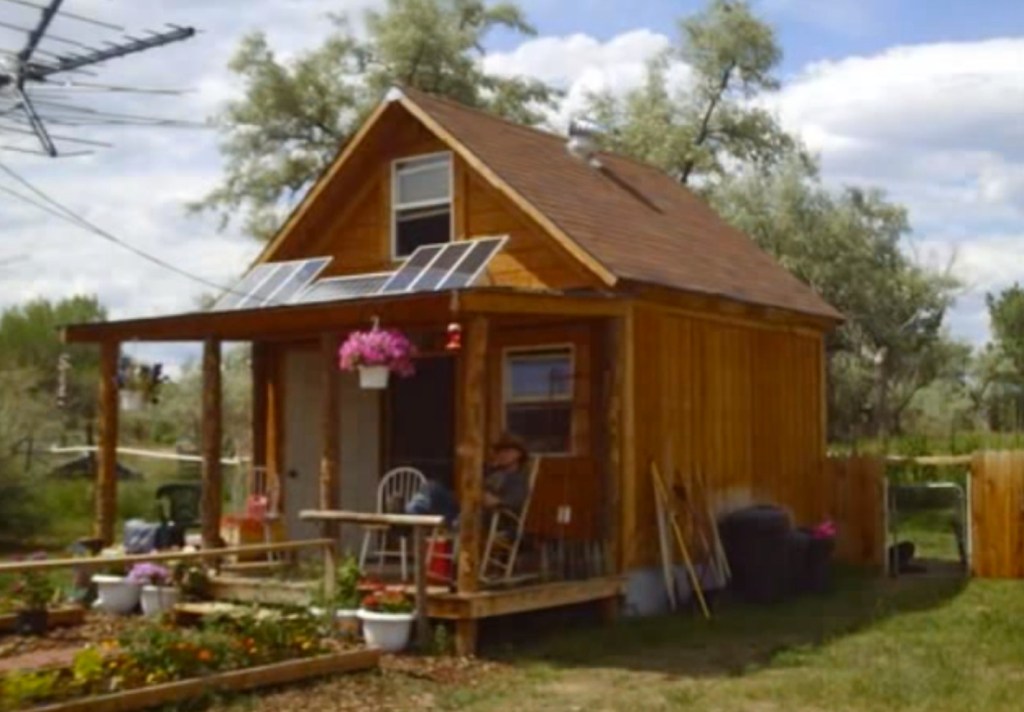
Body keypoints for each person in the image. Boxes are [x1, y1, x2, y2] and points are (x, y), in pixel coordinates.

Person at [405, 433, 531, 529]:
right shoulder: (490, 471)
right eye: (498, 451)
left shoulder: (518, 478)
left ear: (518, 454)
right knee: (432, 487)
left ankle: (407, 521)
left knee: (462, 514)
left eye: (507, 451)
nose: (501, 454)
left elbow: (516, 502)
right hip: (463, 508)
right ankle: (408, 517)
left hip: (488, 518)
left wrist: (496, 501)